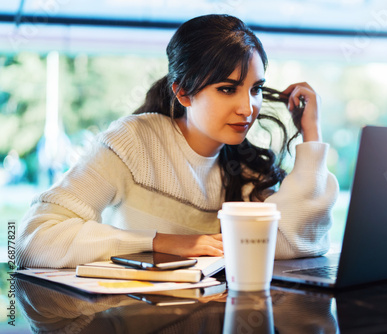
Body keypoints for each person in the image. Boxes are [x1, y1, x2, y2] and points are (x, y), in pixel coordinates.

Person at [17, 14, 339, 268]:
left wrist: (312, 136)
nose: (248, 108)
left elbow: (295, 241)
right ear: (183, 92)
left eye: (255, 89)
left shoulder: (245, 168)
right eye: (227, 89)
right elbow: (32, 240)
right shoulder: (133, 142)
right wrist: (160, 241)